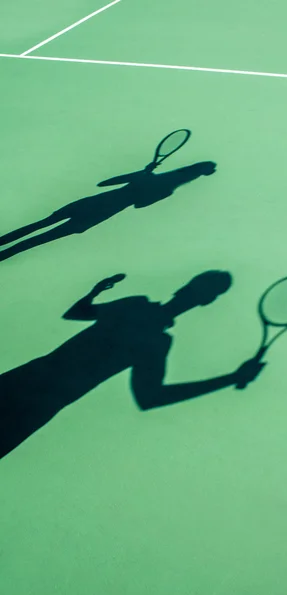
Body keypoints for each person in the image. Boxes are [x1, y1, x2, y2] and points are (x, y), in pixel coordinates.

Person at [0, 271, 264, 458]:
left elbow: (77, 313)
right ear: (207, 301)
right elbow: (150, 398)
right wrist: (230, 378)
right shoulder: (150, 331)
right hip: (40, 394)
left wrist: (231, 378)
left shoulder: (143, 319)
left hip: (33, 385)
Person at [0, 161, 216, 261]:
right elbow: (137, 203)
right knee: (39, 236)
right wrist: (141, 175)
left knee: (38, 227)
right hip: (96, 213)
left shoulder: (159, 185)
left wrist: (140, 174)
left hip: (91, 206)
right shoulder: (164, 190)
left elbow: (104, 184)